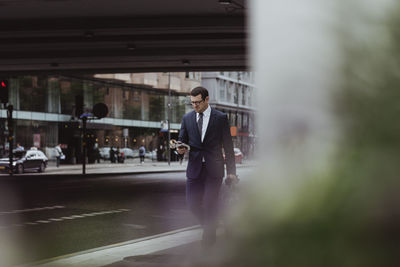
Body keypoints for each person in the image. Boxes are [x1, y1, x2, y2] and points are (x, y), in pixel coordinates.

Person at [177, 86, 237, 247]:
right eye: (192, 103)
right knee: (192, 204)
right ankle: (212, 224)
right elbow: (182, 141)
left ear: (206, 99)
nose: (195, 106)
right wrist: (179, 149)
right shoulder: (187, 118)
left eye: (197, 102)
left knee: (210, 203)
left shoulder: (221, 118)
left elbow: (229, 147)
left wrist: (231, 172)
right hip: (195, 169)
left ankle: (208, 243)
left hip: (214, 169)